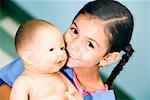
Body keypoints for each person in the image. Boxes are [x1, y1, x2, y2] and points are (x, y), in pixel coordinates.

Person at [0, 0, 134, 100]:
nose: (73, 45)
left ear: (107, 58)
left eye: (90, 44)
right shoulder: (45, 58)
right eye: (74, 31)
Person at [9, 19, 82, 100]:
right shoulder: (24, 82)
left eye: (62, 48)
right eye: (51, 49)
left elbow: (75, 93)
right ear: (29, 57)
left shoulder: (59, 75)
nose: (60, 53)